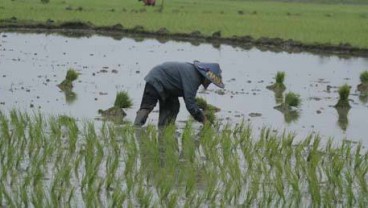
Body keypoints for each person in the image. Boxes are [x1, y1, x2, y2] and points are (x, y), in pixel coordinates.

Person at [134, 61, 224, 127]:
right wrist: (204, 121)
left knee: (173, 107)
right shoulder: (193, 78)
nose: (209, 83)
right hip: (156, 79)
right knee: (147, 107)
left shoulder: (194, 74)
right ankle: (135, 129)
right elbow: (190, 105)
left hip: (169, 88)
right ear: (205, 76)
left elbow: (189, 99)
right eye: (210, 81)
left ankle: (164, 130)